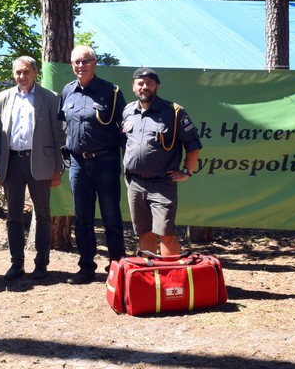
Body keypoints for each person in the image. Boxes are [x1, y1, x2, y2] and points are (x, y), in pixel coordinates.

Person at [57, 45, 127, 284]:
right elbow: (63, 125)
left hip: (106, 162)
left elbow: (125, 128)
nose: (81, 66)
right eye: (76, 62)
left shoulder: (111, 92)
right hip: (78, 164)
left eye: (85, 61)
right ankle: (86, 267)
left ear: (95, 63)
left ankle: (117, 268)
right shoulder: (67, 91)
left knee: (111, 217)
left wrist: (127, 160)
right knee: (82, 218)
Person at [0, 56, 65, 281]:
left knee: (43, 214)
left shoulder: (50, 97)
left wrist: (57, 169)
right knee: (13, 215)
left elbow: (59, 136)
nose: (22, 76)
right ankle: (16, 263)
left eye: (26, 72)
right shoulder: (3, 97)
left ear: (35, 72)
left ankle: (41, 263)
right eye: (18, 72)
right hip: (12, 163)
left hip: (41, 163)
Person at [121, 67, 202, 256]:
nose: (144, 87)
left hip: (162, 184)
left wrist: (186, 172)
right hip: (135, 183)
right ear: (133, 86)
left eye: (149, 83)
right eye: (140, 83)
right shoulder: (128, 111)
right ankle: (150, 271)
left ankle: (172, 272)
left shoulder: (174, 112)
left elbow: (193, 145)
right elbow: (125, 142)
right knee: (144, 232)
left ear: (156, 86)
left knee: (165, 232)